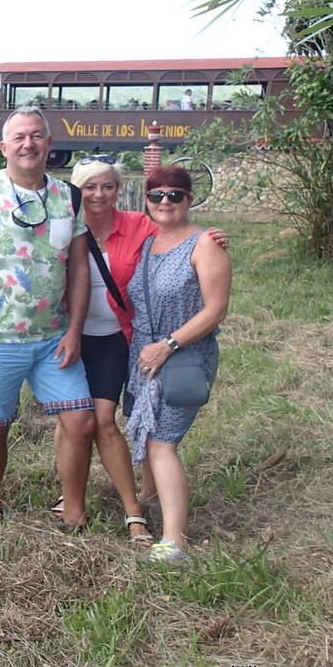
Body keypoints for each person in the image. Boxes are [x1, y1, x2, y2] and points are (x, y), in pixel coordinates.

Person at [0, 157, 228, 546]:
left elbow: (178, 233)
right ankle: (72, 497)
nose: (99, 194)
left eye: (107, 186)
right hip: (66, 333)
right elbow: (1, 227)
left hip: (116, 337)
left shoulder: (141, 226)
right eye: (90, 187)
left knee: (101, 420)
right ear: (76, 192)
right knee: (70, 418)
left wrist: (210, 237)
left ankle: (135, 509)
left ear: (119, 190)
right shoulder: (58, 216)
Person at [0, 107, 96, 528]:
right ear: (4, 147)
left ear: (49, 143)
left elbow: (79, 268)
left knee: (81, 421)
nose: (29, 144)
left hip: (54, 338)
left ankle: (74, 510)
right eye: (20, 137)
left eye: (37, 135)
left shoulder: (69, 197)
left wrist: (75, 330)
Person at [124, 165, 231, 563]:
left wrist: (168, 345)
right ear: (147, 200)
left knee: (161, 443)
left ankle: (174, 542)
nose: (165, 202)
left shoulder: (205, 244)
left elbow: (216, 310)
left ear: (189, 199)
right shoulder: (148, 242)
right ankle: (152, 502)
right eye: (157, 195)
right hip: (144, 355)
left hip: (182, 355)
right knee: (147, 431)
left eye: (175, 194)